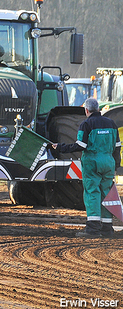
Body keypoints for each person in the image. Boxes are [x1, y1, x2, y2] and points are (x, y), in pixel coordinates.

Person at [50, 97, 121, 238]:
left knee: (92, 192)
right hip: (109, 161)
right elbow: (117, 147)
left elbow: (80, 146)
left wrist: (60, 147)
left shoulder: (86, 124)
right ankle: (107, 229)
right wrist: (116, 165)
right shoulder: (112, 123)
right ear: (98, 109)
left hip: (92, 163)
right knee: (107, 194)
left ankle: (93, 229)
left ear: (86, 110)